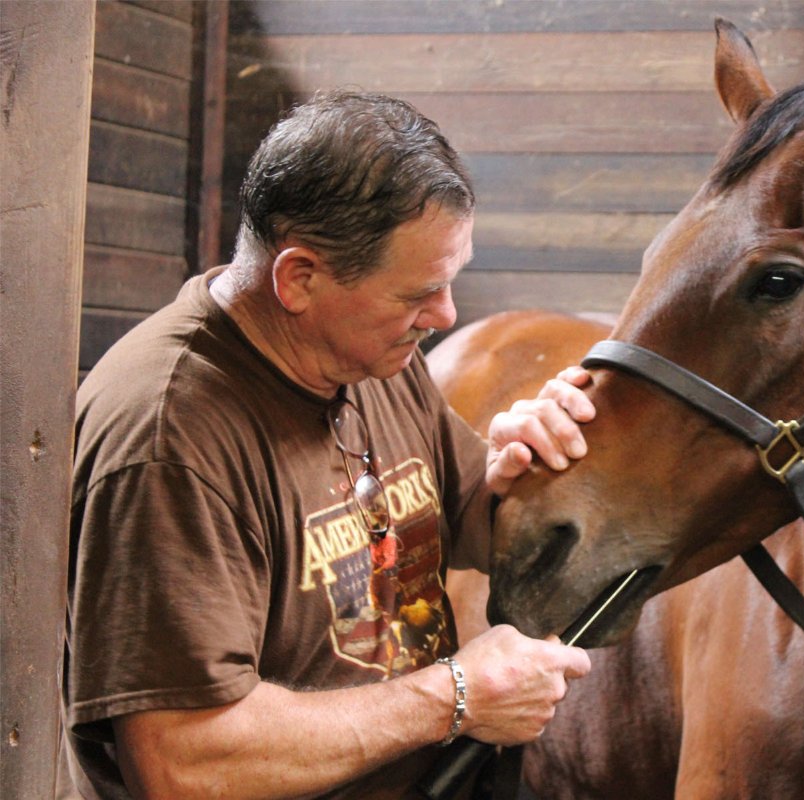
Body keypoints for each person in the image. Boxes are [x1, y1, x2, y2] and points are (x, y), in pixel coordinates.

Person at [63, 90, 595, 799]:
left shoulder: (367, 355)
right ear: (300, 279)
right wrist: (457, 697)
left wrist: (529, 465)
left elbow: (465, 518)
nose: (445, 315)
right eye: (417, 294)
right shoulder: (170, 439)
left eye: (449, 283)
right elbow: (186, 764)